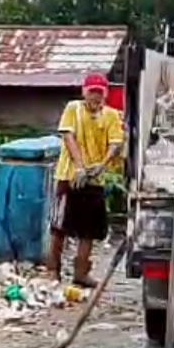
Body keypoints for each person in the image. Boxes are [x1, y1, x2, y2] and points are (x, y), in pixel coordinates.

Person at [48, 73, 124, 287]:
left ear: (105, 94)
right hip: (68, 175)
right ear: (84, 92)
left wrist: (102, 165)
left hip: (94, 179)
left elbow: (115, 142)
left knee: (88, 230)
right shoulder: (73, 109)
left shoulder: (110, 115)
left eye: (99, 93)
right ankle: (53, 271)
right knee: (60, 225)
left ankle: (81, 273)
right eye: (92, 92)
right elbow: (68, 136)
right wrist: (79, 166)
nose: (95, 97)